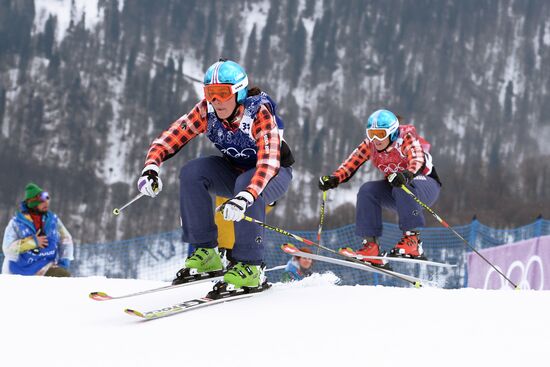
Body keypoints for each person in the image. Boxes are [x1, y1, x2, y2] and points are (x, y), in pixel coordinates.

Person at [137, 59, 294, 292]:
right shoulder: (207, 111)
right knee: (192, 172)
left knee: (245, 182)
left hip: (273, 173)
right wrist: (151, 166)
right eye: (210, 93)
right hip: (235, 172)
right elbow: (170, 137)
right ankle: (207, 253)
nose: (216, 101)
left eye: (223, 93)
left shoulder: (258, 113)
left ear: (239, 93)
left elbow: (269, 163)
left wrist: (247, 196)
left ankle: (250, 266)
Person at [319, 109, 442, 266]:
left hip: (424, 185)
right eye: (371, 133)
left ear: (391, 133)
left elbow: (417, 159)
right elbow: (351, 162)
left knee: (401, 185)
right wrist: (335, 178)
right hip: (398, 191)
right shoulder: (370, 144)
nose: (375, 139)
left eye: (380, 134)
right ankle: (371, 247)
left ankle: (413, 241)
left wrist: (406, 174)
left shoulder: (405, 138)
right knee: (367, 191)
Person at [2, 183, 74, 276]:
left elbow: (66, 240)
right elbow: (7, 249)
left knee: (63, 275)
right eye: (41, 201)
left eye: (47, 200)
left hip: (45, 267)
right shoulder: (16, 223)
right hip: (19, 272)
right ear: (32, 204)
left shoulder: (53, 220)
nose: (46, 203)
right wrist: (32, 242)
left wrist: (63, 262)